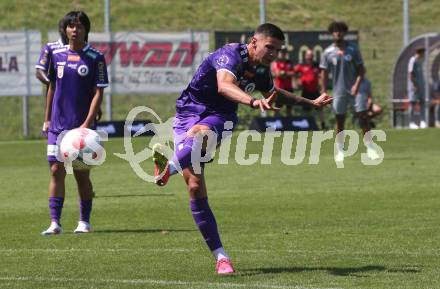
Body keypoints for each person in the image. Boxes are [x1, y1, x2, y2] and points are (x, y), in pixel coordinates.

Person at [152, 23, 331, 274]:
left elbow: (274, 93)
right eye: (270, 47)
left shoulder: (261, 70)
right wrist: (253, 101)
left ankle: (168, 170)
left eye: (278, 50)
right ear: (254, 41)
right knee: (194, 185)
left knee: (202, 137)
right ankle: (220, 255)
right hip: (188, 113)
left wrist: (309, 102)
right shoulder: (230, 54)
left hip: (220, 116)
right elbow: (224, 85)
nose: (273, 54)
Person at [40, 11, 109, 235]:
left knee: (81, 174)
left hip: (82, 127)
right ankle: (55, 223)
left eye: (79, 26)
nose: (74, 30)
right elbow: (51, 86)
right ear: (65, 29)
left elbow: (98, 93)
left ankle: (84, 222)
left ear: (86, 30)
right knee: (55, 170)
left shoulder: (95, 57)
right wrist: (47, 118)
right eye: (71, 26)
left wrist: (86, 124)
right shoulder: (55, 53)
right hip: (57, 126)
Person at [320, 21, 379, 162]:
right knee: (340, 120)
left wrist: (356, 85)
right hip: (338, 90)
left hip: (356, 90)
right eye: (335, 31)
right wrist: (323, 91)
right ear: (332, 34)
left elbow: (361, 69)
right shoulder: (328, 52)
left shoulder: (353, 49)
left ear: (344, 33)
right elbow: (323, 73)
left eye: (340, 30)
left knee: (363, 117)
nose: (337, 33)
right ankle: (340, 150)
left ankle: (370, 149)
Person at [294, 49, 327, 129]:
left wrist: (321, 87)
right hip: (306, 91)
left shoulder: (316, 65)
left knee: (320, 108)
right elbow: (293, 73)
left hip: (315, 91)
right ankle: (306, 126)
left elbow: (322, 76)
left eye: (311, 56)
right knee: (306, 110)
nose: (310, 57)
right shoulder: (301, 65)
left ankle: (323, 125)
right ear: (305, 57)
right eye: (308, 56)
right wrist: (297, 82)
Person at [271, 46, 295, 116]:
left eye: (284, 52)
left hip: (289, 89)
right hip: (279, 89)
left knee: (289, 109)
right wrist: (286, 73)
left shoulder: (289, 62)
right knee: (277, 109)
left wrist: (284, 73)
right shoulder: (275, 62)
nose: (283, 53)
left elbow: (293, 73)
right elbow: (277, 74)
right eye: (281, 52)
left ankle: (289, 125)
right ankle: (276, 125)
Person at [407, 47, 427, 129]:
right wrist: (415, 85)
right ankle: (411, 122)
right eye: (423, 52)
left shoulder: (420, 61)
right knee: (413, 103)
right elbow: (410, 74)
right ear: (420, 52)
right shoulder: (413, 60)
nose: (424, 54)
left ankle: (422, 121)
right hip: (414, 86)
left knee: (422, 102)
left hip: (421, 85)